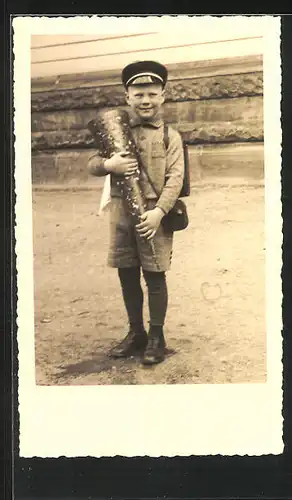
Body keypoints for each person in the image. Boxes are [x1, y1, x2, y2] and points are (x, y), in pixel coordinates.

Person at [88, 60, 184, 365]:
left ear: (163, 96)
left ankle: (157, 336)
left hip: (154, 215)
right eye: (139, 94)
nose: (146, 100)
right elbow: (91, 163)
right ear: (127, 96)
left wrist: (158, 213)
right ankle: (136, 332)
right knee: (127, 273)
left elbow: (175, 179)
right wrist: (108, 165)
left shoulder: (170, 135)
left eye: (152, 94)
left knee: (155, 275)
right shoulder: (114, 130)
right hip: (122, 214)